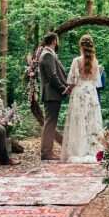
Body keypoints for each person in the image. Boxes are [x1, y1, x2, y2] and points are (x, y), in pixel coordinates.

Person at [61, 35, 104, 163]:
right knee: (91, 121)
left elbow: (71, 80)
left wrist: (67, 90)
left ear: (80, 46)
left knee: (78, 121)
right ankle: (93, 150)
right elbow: (97, 82)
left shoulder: (76, 61)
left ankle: (78, 151)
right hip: (91, 93)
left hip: (79, 92)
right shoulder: (95, 62)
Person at [38, 32, 71, 161]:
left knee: (50, 122)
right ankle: (46, 152)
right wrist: (63, 88)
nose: (58, 42)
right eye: (57, 40)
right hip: (51, 94)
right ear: (54, 41)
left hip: (52, 94)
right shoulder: (47, 55)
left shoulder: (48, 54)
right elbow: (52, 76)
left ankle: (47, 151)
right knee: (50, 123)